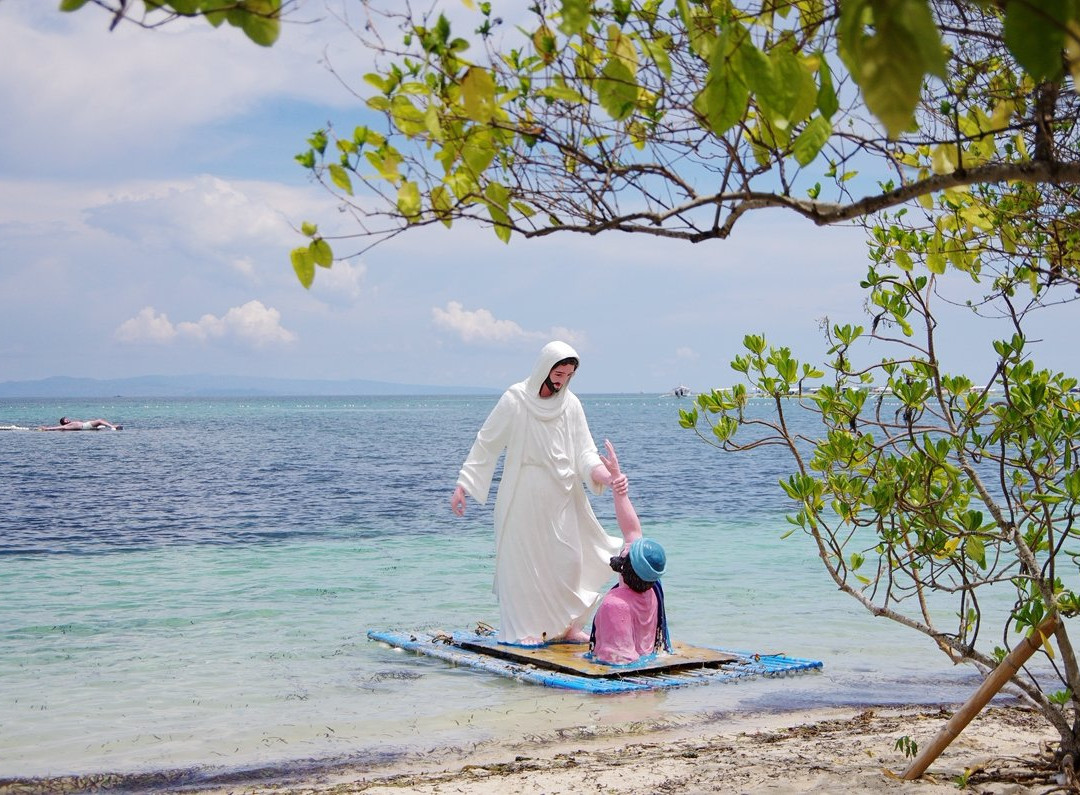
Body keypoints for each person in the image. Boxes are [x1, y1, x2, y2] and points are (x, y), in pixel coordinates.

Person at [450, 340, 623, 646]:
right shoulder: (515, 399)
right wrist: (464, 484)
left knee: (569, 561)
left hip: (563, 495)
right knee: (524, 565)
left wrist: (604, 475)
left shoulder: (571, 405)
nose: (562, 379)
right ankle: (525, 629)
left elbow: (585, 452)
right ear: (545, 367)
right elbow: (487, 443)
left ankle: (567, 626)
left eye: (568, 374)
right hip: (524, 493)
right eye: (559, 372)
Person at [590, 440, 671, 665]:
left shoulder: (616, 604)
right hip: (646, 656)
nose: (624, 549)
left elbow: (617, 658)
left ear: (626, 568)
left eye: (626, 552)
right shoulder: (653, 590)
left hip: (627, 667)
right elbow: (632, 530)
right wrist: (616, 481)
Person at [38, 417, 123, 431]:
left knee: (100, 424)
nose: (68, 420)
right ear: (64, 422)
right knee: (100, 420)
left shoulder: (70, 424)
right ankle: (113, 427)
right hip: (86, 426)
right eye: (66, 420)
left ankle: (111, 427)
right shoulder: (66, 426)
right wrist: (47, 429)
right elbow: (59, 428)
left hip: (86, 426)